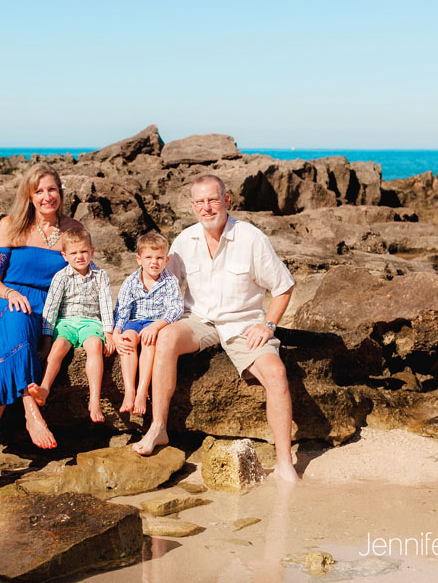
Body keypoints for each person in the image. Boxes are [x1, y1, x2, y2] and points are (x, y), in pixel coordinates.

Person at [132, 173, 301, 483]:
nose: (206, 207)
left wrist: (269, 325)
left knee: (276, 373)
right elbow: (160, 283)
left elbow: (283, 287)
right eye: (199, 202)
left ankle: (284, 463)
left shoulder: (251, 238)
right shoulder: (185, 240)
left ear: (226, 200)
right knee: (166, 337)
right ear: (193, 206)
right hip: (198, 320)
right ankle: (158, 428)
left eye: (212, 200)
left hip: (243, 323)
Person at [0, 163, 81, 480]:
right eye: (39, 191)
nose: (46, 196)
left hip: (42, 307)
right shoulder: (11, 225)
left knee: (11, 339)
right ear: (29, 195)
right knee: (16, 319)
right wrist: (10, 293)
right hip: (1, 301)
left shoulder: (71, 229)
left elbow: (83, 271)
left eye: (52, 189)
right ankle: (30, 410)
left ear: (61, 193)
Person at [27, 228, 116, 423]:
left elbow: (106, 305)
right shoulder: (61, 277)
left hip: (91, 322)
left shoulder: (101, 276)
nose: (79, 257)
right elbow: (51, 307)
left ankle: (94, 400)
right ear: (65, 256)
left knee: (94, 346)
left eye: (83, 251)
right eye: (74, 253)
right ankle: (44, 389)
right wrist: (47, 340)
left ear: (92, 251)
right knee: (58, 348)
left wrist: (108, 333)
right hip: (65, 322)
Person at [112, 232, 183, 415]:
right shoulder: (131, 281)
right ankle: (130, 391)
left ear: (166, 260)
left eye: (159, 258)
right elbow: (122, 310)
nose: (154, 262)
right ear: (139, 259)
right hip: (134, 322)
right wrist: (117, 332)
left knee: (149, 341)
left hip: (156, 323)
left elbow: (175, 309)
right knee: (128, 341)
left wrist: (157, 325)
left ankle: (142, 391)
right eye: (149, 257)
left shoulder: (170, 281)